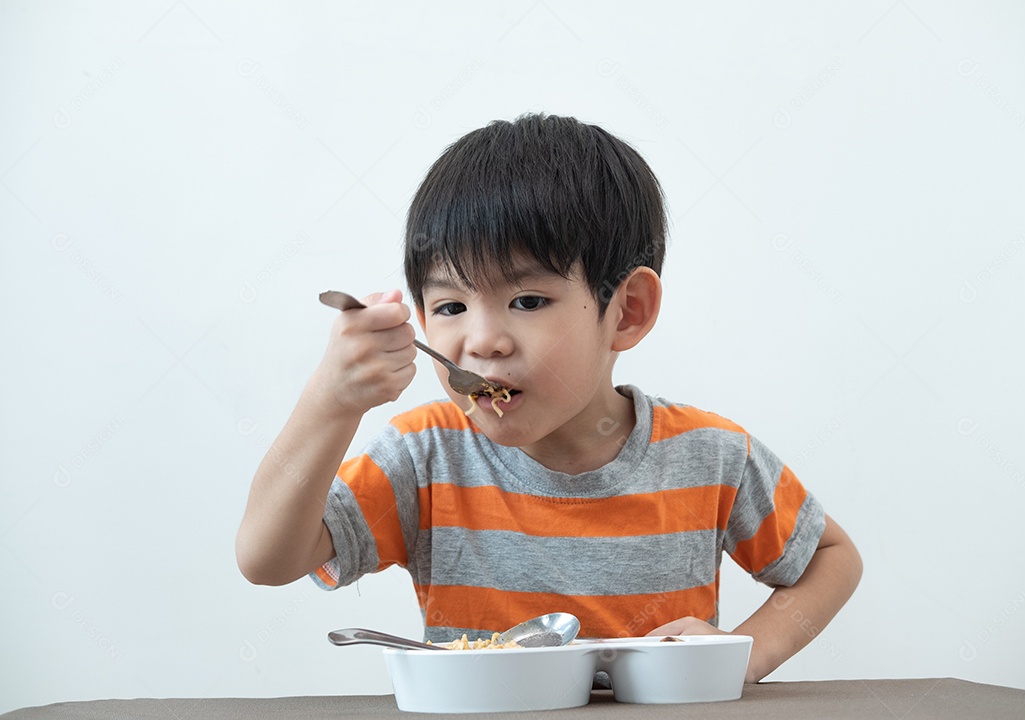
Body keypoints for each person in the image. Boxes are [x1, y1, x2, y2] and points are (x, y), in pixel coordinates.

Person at [235, 113, 862, 683]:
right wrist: (332, 401)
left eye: (527, 301)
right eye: (450, 306)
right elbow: (267, 557)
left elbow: (831, 558)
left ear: (627, 313)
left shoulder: (710, 455)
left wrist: (743, 654)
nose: (482, 342)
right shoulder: (424, 455)